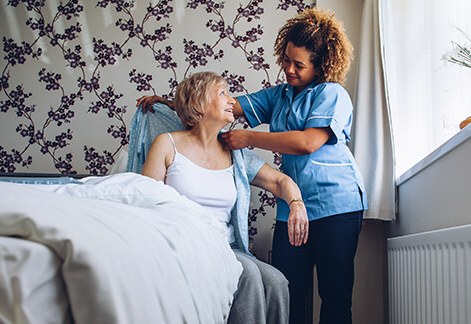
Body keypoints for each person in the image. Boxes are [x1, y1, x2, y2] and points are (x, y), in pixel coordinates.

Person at [139, 7, 367, 324]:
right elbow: (217, 104)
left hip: (336, 202)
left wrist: (249, 138)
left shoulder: (333, 94)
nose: (288, 69)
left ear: (321, 64)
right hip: (293, 209)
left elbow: (307, 143)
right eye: (286, 60)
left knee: (335, 295)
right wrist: (171, 102)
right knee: (287, 291)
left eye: (298, 65)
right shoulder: (280, 96)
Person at [139, 71, 309, 324]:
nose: (232, 100)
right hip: (184, 246)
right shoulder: (167, 144)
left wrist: (296, 204)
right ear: (198, 104)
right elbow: (145, 202)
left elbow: (280, 181)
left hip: (225, 247)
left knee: (277, 281)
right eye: (223, 93)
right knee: (248, 273)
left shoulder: (235, 154)